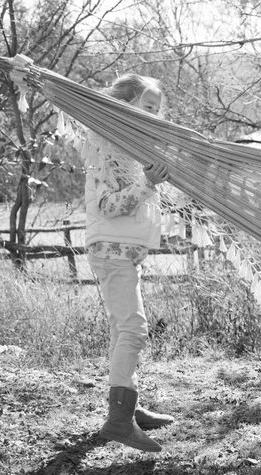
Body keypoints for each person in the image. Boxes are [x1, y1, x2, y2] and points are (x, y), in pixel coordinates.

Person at [83, 73, 176, 452]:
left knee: (120, 330)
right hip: (111, 249)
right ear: (125, 105)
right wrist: (148, 184)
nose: (154, 116)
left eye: (157, 110)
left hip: (123, 251)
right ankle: (118, 421)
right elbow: (109, 205)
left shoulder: (132, 150)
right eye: (147, 108)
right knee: (134, 330)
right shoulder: (108, 148)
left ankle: (129, 405)